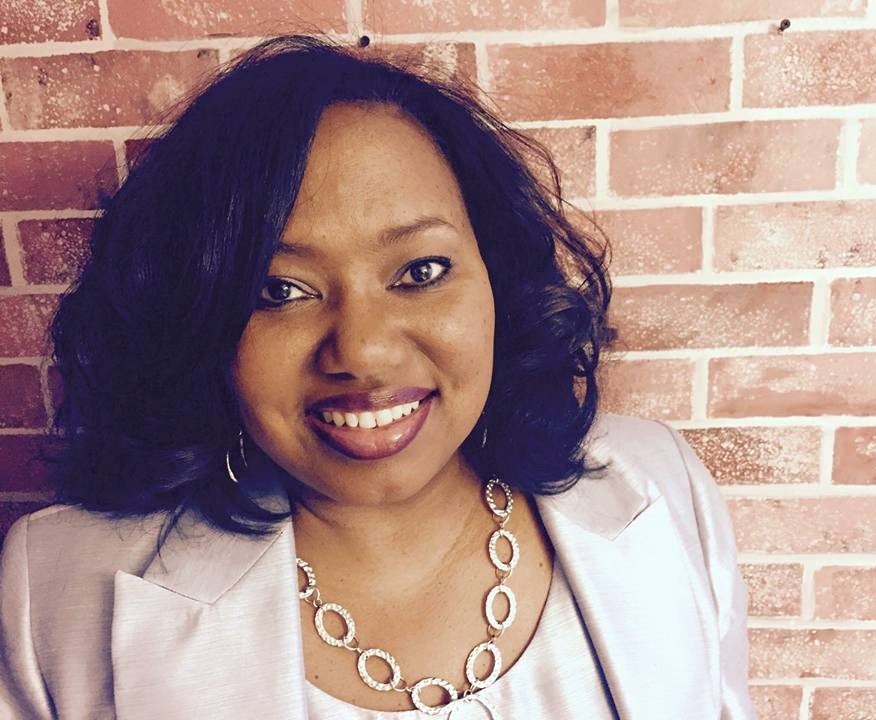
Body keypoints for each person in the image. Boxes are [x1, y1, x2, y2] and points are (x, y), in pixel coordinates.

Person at [0, 35, 755, 720]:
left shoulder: (664, 487)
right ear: (198, 317)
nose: (362, 351)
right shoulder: (57, 596)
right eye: (279, 290)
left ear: (496, 278)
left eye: (420, 271)